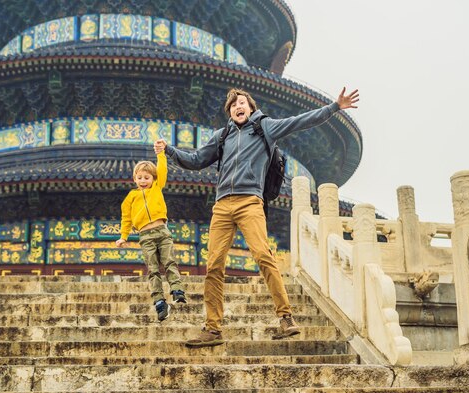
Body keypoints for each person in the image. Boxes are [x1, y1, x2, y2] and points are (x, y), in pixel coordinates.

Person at [154, 87, 359, 347]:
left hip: (250, 202)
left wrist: (334, 107)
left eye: (241, 103)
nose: (237, 107)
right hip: (221, 206)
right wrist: (169, 150)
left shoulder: (265, 127)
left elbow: (300, 122)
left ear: (250, 107)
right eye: (232, 106)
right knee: (214, 265)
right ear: (229, 112)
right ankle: (213, 328)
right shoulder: (223, 135)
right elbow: (196, 160)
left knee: (263, 255)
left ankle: (286, 318)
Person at [116, 149, 187, 322]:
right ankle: (159, 301)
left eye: (147, 178)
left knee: (169, 261)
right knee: (153, 269)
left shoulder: (157, 188)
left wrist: (161, 154)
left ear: (153, 179)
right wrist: (124, 236)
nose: (143, 181)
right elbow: (126, 218)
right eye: (139, 177)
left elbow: (162, 169)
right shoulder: (131, 197)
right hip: (145, 235)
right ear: (135, 179)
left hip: (162, 231)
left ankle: (177, 289)